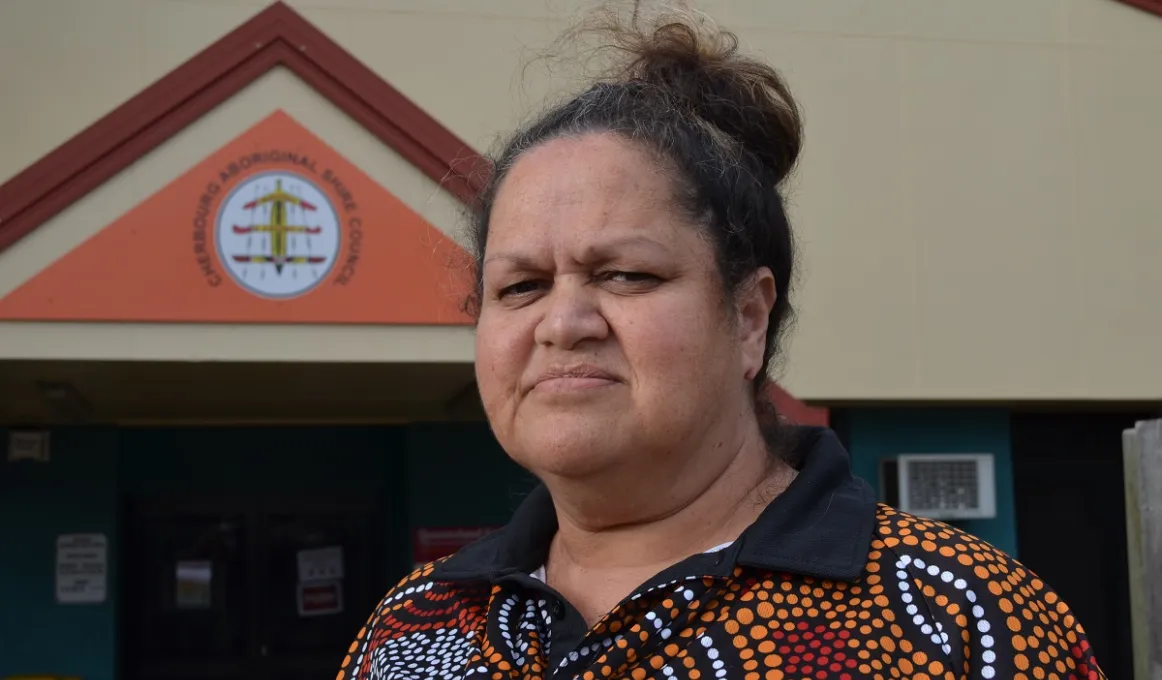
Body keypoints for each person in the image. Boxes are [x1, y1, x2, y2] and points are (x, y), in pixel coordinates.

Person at [340, 5, 1105, 679]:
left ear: (747, 317)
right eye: (521, 286)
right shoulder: (413, 623)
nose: (563, 322)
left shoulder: (958, 619)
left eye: (627, 275)